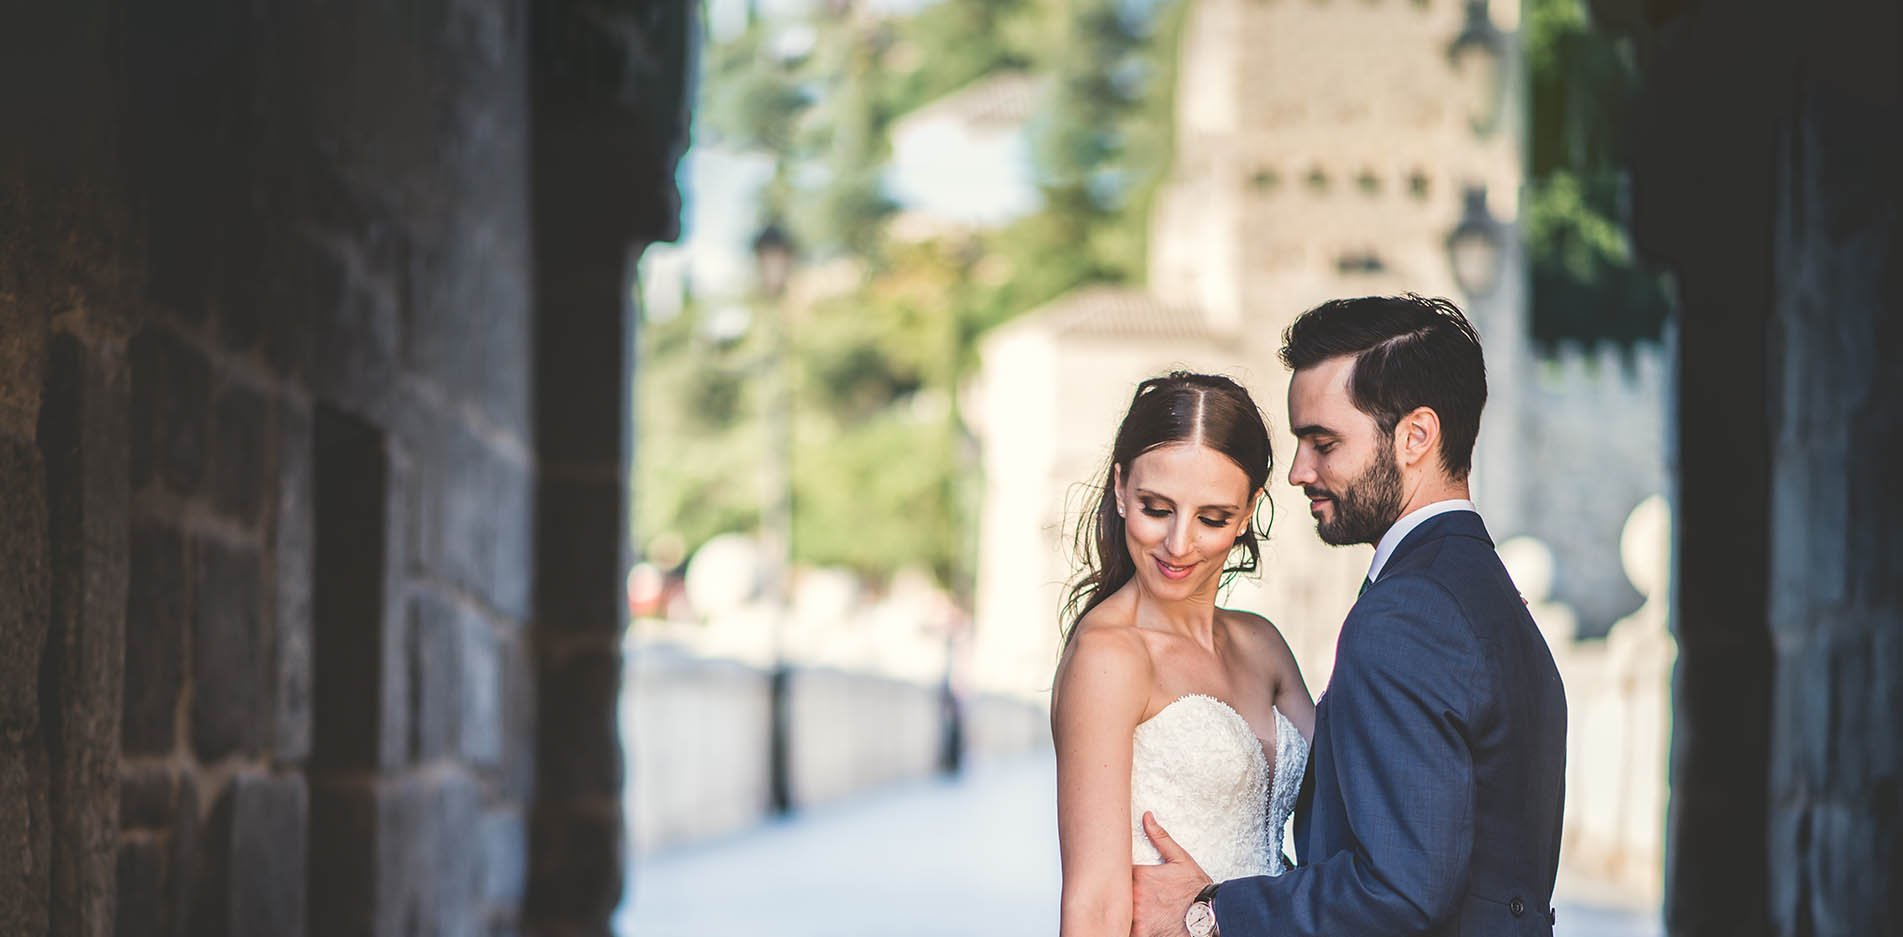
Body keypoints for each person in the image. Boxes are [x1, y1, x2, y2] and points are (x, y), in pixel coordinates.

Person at [1131, 294, 1568, 937]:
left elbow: (1400, 889)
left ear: (1415, 436)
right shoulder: (1489, 597)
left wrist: (1209, 911)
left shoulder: (1408, 614)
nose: (1299, 472)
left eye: (1323, 442)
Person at [1051, 372, 1316, 937]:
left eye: (1213, 518)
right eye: (1156, 507)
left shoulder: (1262, 644)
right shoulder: (1110, 656)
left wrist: (1216, 906)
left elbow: (1340, 829)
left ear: (1247, 514)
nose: (1178, 544)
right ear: (1121, 488)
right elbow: (1095, 904)